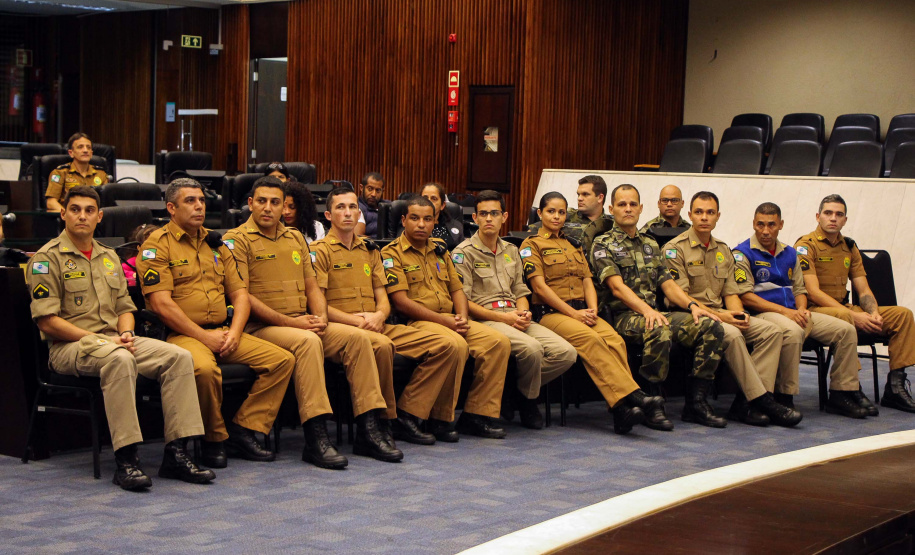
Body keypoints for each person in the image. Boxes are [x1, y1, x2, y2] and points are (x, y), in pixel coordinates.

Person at [29, 186, 213, 491]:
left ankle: (177, 453)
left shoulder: (108, 257)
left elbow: (126, 308)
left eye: (89, 210)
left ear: (99, 216)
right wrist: (105, 341)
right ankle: (127, 459)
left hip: (115, 340)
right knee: (120, 359)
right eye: (75, 209)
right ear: (63, 214)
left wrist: (126, 332)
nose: (82, 216)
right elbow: (48, 322)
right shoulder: (46, 259)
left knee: (178, 357)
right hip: (70, 347)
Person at [223, 177, 401, 466]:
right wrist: (297, 324)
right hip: (263, 328)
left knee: (358, 338)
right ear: (250, 204)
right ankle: (316, 437)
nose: (268, 208)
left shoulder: (294, 238)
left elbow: (312, 287)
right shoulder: (236, 240)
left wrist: (320, 318)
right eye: (262, 201)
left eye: (275, 202)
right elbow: (243, 297)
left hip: (303, 321)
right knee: (307, 342)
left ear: (284, 207)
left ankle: (368, 429)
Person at [137, 178, 295, 469]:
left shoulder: (216, 242)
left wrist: (234, 332)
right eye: (190, 201)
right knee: (204, 370)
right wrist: (204, 337)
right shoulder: (156, 246)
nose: (199, 206)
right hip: (181, 335)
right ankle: (213, 440)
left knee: (282, 360)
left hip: (222, 331)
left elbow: (240, 294)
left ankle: (244, 429)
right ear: (171, 208)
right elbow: (161, 304)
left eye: (201, 200)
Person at [312, 187, 465, 445]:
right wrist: (359, 321)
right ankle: (382, 422)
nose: (347, 213)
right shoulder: (319, 252)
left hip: (376, 324)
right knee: (381, 345)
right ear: (328, 215)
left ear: (359, 213)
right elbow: (319, 306)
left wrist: (379, 316)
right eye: (340, 207)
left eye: (352, 207)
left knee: (448, 345)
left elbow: (383, 297)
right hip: (340, 326)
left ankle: (409, 413)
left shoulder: (370, 250)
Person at [520, 192, 665, 435]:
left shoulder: (574, 244)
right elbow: (539, 288)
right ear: (540, 214)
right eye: (551, 211)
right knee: (591, 340)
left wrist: (593, 308)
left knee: (615, 341)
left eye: (561, 212)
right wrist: (573, 314)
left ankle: (622, 413)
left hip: (583, 311)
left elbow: (587, 280)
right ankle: (632, 399)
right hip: (552, 313)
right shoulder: (531, 245)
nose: (557, 216)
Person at [591, 184, 727, 429]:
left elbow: (667, 284)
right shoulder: (603, 244)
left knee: (710, 325)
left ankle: (696, 403)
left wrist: (693, 305)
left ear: (641, 208)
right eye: (622, 205)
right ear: (611, 209)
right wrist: (647, 310)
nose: (628, 209)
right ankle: (652, 404)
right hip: (624, 316)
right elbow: (617, 288)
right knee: (658, 329)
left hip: (656, 313)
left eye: (633, 204)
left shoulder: (650, 244)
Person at [662, 191, 802, 427]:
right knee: (734, 334)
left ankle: (745, 403)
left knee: (771, 332)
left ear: (718, 216)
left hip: (722, 314)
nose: (704, 217)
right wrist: (724, 317)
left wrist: (738, 314)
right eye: (699, 212)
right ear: (690, 215)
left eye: (709, 212)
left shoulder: (723, 250)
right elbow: (681, 298)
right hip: (692, 315)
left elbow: (730, 292)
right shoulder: (674, 250)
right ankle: (762, 400)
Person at [382, 195, 510, 439]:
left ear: (435, 221)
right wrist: (447, 322)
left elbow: (457, 290)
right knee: (456, 345)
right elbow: (401, 302)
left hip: (451, 320)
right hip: (419, 322)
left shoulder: (441, 251)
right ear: (403, 220)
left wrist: (461, 318)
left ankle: (476, 414)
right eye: (415, 218)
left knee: (498, 342)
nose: (421, 224)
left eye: (427, 219)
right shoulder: (391, 254)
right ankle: (422, 416)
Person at [734, 202, 873, 418]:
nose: (765, 230)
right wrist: (787, 313)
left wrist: (801, 309)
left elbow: (800, 288)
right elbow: (746, 296)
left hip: (794, 312)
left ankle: (842, 393)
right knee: (793, 330)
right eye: (760, 224)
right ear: (753, 224)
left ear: (780, 225)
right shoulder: (742, 253)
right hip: (764, 313)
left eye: (771, 225)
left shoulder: (790, 253)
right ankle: (783, 396)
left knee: (845, 329)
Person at [452, 190, 577, 430]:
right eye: (483, 214)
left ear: (504, 217)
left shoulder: (512, 250)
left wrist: (522, 313)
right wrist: (505, 318)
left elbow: (521, 290)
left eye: (495, 213)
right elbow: (463, 303)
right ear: (475, 218)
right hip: (486, 319)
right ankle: (529, 401)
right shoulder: (462, 254)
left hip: (514, 316)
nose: (489, 218)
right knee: (532, 349)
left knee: (565, 353)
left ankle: (513, 390)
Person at [796, 194, 915, 413]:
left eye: (839, 214)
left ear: (845, 220)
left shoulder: (849, 247)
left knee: (903, 315)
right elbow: (812, 293)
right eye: (828, 213)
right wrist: (854, 316)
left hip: (845, 307)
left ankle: (895, 387)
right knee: (845, 318)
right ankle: (851, 387)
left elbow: (863, 288)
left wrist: (873, 313)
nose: (833, 218)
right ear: (817, 216)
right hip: (817, 311)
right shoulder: (806, 246)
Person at [528, 175, 614, 256]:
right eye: (578, 194)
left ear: (600, 197)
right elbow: (531, 232)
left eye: (585, 194)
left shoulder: (611, 223)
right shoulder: (564, 215)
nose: (579, 198)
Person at [263, 163, 326, 242]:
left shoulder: (316, 227)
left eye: (292, 207)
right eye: (283, 207)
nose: (286, 212)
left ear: (302, 207)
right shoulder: (270, 227)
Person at [46, 132, 108, 212]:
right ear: (71, 153)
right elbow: (51, 202)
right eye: (80, 147)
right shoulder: (60, 173)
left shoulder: (101, 174)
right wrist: (69, 215)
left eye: (88, 147)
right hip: (68, 219)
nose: (85, 150)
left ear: (91, 153)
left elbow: (106, 203)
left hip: (94, 219)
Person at [421, 182, 463, 250]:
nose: (428, 202)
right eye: (425, 198)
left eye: (434, 199)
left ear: (442, 205)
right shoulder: (411, 224)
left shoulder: (456, 225)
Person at [358, 172, 387, 237]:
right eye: (370, 189)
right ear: (361, 188)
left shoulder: (389, 207)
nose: (373, 194)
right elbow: (358, 239)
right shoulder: (356, 207)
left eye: (378, 190)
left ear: (383, 191)